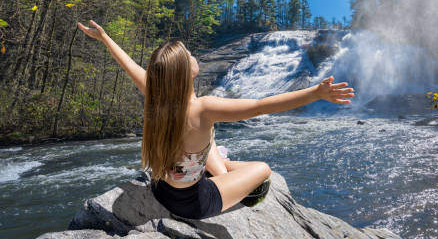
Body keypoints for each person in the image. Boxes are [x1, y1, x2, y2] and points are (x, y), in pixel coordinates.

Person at [76, 19, 354, 219]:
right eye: (190, 55)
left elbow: (130, 65)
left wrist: (104, 38)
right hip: (194, 204)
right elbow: (260, 106)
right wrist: (317, 93)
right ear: (186, 72)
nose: (195, 55)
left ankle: (219, 167)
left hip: (160, 190)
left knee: (209, 145)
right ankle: (223, 170)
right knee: (263, 169)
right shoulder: (204, 108)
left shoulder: (155, 94)